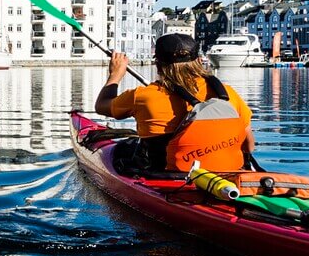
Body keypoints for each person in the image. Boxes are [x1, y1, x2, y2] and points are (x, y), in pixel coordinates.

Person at [94, 33, 256, 174]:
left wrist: (115, 75)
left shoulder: (143, 96)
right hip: (225, 176)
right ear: (199, 60)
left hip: (167, 176)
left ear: (158, 64)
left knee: (123, 149)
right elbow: (249, 147)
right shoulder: (227, 94)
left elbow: (101, 106)